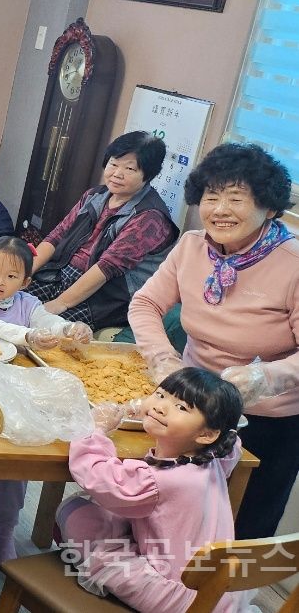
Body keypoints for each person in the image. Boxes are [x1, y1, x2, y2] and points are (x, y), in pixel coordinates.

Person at [128, 143, 299, 540]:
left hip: (267, 420)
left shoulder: (292, 264)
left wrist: (265, 377)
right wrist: (163, 360)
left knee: (243, 524)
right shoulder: (191, 246)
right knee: (171, 513)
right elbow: (146, 303)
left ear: (270, 208)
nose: (220, 209)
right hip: (191, 406)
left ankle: (231, 600)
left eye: (236, 198)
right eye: (211, 197)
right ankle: (164, 590)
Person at [57, 368, 247, 612]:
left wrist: (94, 430)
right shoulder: (213, 459)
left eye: (182, 408)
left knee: (78, 512)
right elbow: (234, 444)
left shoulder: (162, 480)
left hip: (176, 597)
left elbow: (98, 476)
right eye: (160, 395)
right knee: (116, 516)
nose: (160, 407)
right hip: (217, 592)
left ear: (207, 434)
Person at [0, 236, 93, 563]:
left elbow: (47, 322)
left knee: (17, 466)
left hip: (18, 394)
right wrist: (27, 337)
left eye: (11, 277)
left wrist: (68, 329)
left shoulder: (28, 304)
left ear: (25, 282)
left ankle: (6, 529)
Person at [28, 131, 178, 330]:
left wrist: (60, 303)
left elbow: (106, 268)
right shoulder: (94, 195)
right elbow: (56, 237)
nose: (117, 173)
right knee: (8, 300)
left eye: (129, 168)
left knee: (44, 327)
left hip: (105, 297)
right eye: (113, 164)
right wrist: (23, 273)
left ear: (148, 175)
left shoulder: (150, 217)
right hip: (60, 274)